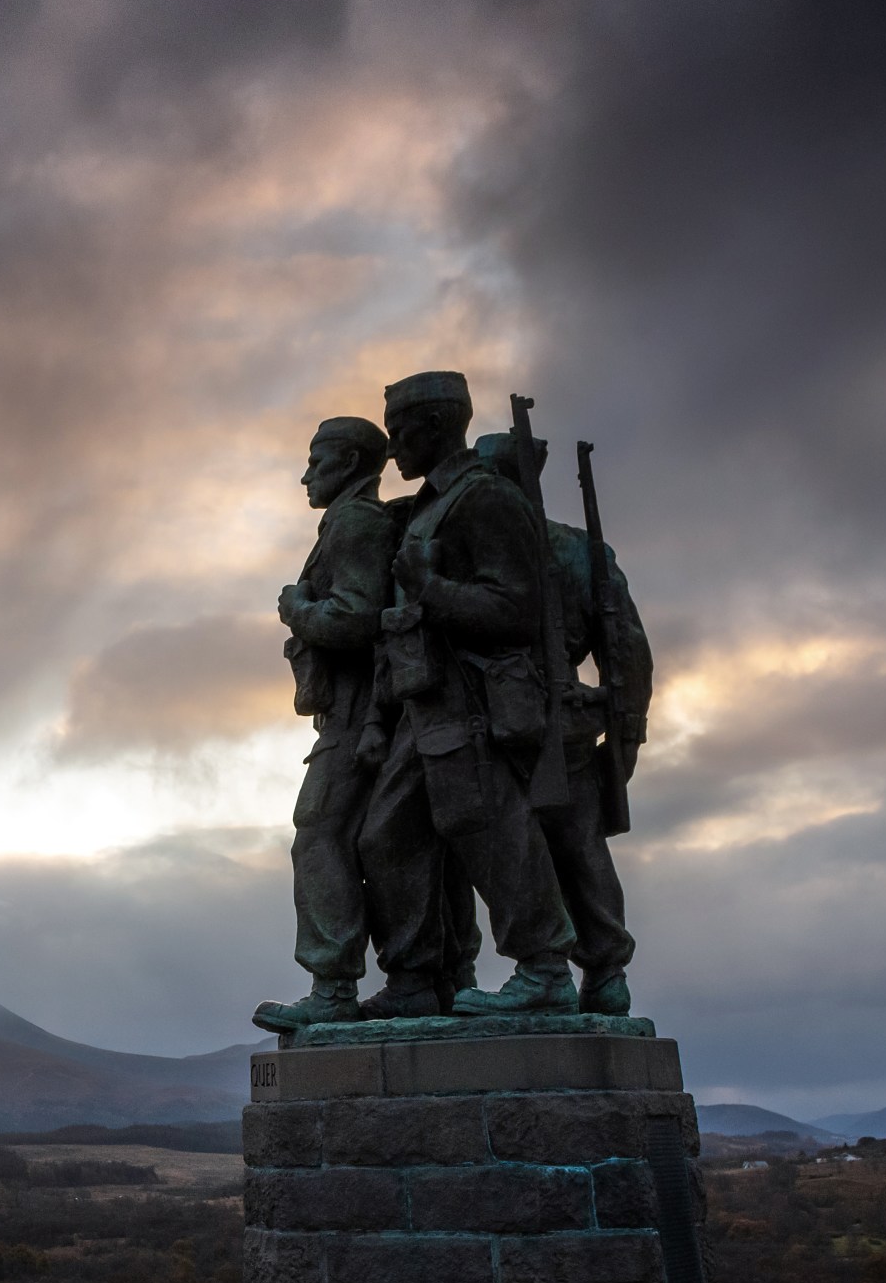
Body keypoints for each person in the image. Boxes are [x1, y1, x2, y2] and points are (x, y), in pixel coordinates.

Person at [354, 371, 578, 1017]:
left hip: (470, 700)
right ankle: (415, 980)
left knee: (490, 826)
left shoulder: (484, 500)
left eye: (400, 433)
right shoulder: (427, 507)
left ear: (435, 428)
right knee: (386, 835)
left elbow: (518, 608)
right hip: (419, 704)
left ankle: (544, 969)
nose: (392, 448)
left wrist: (432, 589)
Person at [466, 430, 652, 1014]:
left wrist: (623, 732)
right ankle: (601, 969)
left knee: (559, 843)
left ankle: (590, 971)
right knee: (573, 845)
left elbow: (624, 648)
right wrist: (625, 728)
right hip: (543, 716)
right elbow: (627, 652)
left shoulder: (502, 550)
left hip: (519, 721)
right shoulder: (575, 550)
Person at [253, 417, 399, 1034]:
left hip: (358, 714)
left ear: (349, 462)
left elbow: (354, 618)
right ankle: (414, 979)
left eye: (317, 461)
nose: (306, 474)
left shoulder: (354, 522)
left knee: (318, 831)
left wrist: (297, 608)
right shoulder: (349, 522)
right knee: (376, 844)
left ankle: (333, 987)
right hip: (359, 713)